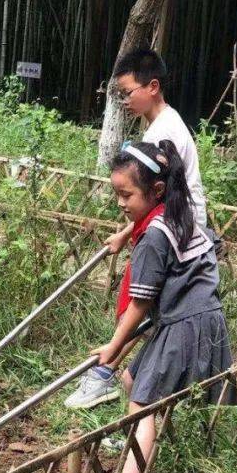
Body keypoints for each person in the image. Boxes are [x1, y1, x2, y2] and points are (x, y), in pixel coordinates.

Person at [78, 140, 230, 473]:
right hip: (204, 317)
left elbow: (140, 304)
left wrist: (113, 348)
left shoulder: (154, 238)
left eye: (125, 194)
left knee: (142, 406)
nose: (119, 203)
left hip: (182, 325)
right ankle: (142, 443)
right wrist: (125, 234)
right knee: (133, 380)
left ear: (156, 190)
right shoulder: (181, 212)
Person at [65, 48, 208, 410]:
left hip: (176, 229)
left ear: (153, 86)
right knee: (137, 295)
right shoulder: (159, 125)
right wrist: (127, 231)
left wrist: (133, 232)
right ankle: (114, 372)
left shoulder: (166, 132)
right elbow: (153, 199)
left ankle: (105, 372)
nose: (125, 100)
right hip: (167, 224)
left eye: (129, 92)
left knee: (140, 298)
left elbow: (162, 197)